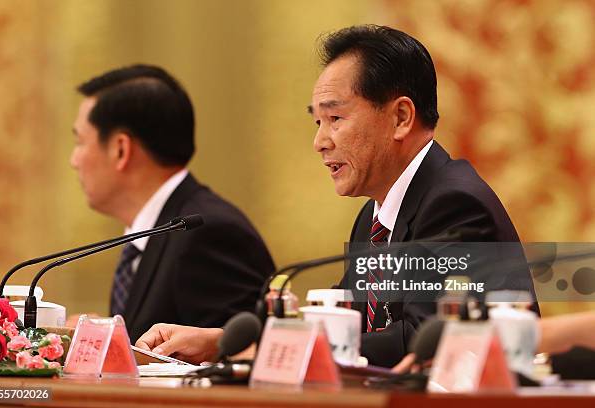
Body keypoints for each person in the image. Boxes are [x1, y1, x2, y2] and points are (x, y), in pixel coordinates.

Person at [135, 25, 537, 365]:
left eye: (335, 118)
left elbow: (420, 342)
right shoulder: (375, 217)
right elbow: (343, 323)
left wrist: (262, 350)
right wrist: (221, 342)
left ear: (400, 117)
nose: (319, 142)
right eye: (317, 121)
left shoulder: (453, 205)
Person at [69, 64, 275, 341]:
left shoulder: (208, 233)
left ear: (121, 149)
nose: (74, 160)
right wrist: (105, 337)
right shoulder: (160, 229)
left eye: (81, 142)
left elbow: (239, 360)